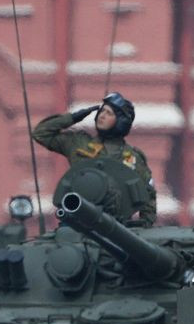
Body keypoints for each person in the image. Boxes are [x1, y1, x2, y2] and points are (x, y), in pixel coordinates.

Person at [32, 92, 157, 226]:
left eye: (109, 113)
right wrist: (74, 117)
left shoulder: (133, 157)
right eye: (102, 111)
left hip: (117, 225)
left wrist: (145, 223)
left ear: (121, 121)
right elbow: (41, 133)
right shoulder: (79, 143)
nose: (102, 116)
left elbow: (147, 193)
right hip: (78, 219)